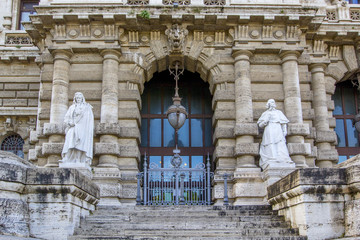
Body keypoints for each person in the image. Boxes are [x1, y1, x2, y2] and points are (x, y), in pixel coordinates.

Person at [257, 99, 293, 169]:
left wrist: (284, 131)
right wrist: (265, 121)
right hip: (269, 129)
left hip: (277, 129)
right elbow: (260, 125)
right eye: (270, 103)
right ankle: (272, 157)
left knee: (280, 142)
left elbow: (283, 123)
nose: (272, 104)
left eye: (273, 102)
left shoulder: (279, 113)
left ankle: (282, 158)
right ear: (268, 104)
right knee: (270, 143)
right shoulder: (265, 113)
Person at [61, 92, 94, 165]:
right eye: (77, 98)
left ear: (82, 98)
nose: (78, 99)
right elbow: (66, 117)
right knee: (69, 141)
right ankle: (66, 157)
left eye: (80, 98)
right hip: (73, 126)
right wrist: (69, 123)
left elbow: (89, 119)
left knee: (80, 144)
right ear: (75, 99)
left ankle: (78, 159)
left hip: (82, 128)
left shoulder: (86, 107)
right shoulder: (72, 107)